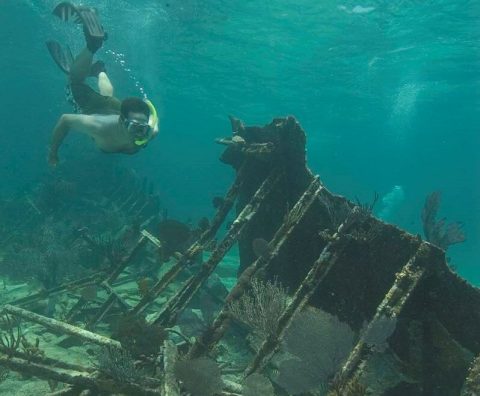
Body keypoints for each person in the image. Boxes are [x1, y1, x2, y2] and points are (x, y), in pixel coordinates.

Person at [46, 2, 159, 167]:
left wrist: (149, 129)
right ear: (122, 121)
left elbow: (153, 124)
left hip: (113, 107)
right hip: (93, 110)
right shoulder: (98, 126)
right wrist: (53, 153)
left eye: (142, 129)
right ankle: (92, 46)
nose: (138, 133)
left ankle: (100, 70)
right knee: (74, 82)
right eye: (134, 127)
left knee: (108, 97)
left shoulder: (149, 132)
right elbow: (65, 120)